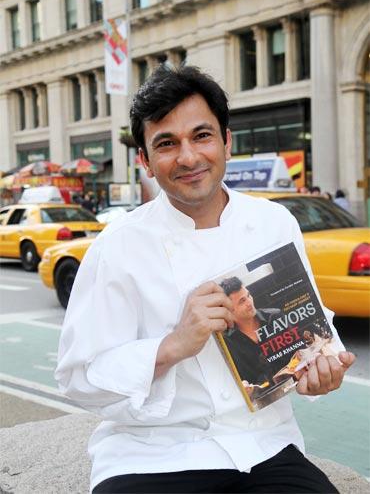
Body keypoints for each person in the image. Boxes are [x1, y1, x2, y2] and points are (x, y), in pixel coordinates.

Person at [56, 65, 355, 494]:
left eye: (202, 135)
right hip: (152, 453)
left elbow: (307, 337)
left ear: (226, 141)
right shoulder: (116, 246)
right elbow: (77, 378)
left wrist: (320, 375)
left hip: (264, 446)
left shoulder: (274, 222)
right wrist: (173, 345)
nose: (189, 157)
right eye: (166, 143)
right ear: (144, 160)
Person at [219, 276, 281, 393]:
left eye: (248, 296)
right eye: (242, 301)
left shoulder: (275, 316)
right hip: (262, 400)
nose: (250, 302)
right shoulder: (228, 343)